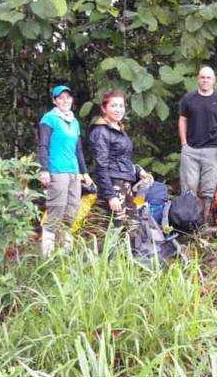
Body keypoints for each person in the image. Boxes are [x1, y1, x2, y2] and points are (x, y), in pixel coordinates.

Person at [38, 85, 93, 258]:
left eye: (67, 97)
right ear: (54, 100)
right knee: (57, 209)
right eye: (60, 98)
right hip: (57, 170)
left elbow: (78, 150)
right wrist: (44, 169)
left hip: (74, 171)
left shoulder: (74, 121)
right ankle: (47, 255)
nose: (65, 100)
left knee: (72, 209)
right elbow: (43, 144)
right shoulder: (49, 119)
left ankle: (65, 253)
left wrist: (84, 172)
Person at [89, 89, 153, 224]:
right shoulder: (101, 131)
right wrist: (110, 196)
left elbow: (122, 158)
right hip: (113, 185)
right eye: (113, 106)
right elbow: (101, 166)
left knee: (134, 224)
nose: (118, 110)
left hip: (127, 183)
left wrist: (138, 170)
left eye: (121, 106)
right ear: (104, 108)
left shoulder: (119, 128)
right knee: (116, 226)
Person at [178, 66, 217, 223]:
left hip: (213, 151)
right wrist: (183, 143)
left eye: (208, 78)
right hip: (191, 150)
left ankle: (203, 223)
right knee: (188, 189)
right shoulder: (188, 98)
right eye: (202, 77)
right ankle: (187, 223)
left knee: (208, 190)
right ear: (198, 79)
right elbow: (182, 120)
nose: (205, 80)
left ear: (214, 80)